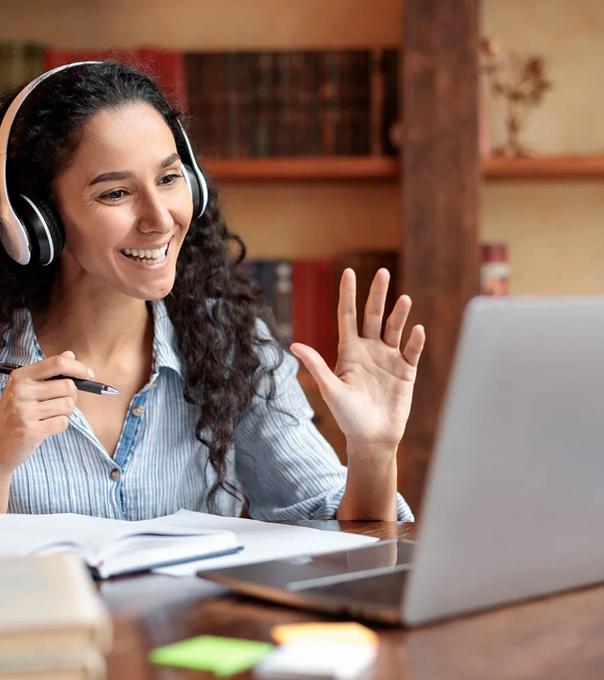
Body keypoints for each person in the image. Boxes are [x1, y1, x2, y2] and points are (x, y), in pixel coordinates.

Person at [0, 61, 425, 521]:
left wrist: (372, 450)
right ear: (34, 219)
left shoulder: (228, 344)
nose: (160, 219)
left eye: (168, 179)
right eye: (116, 193)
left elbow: (342, 542)